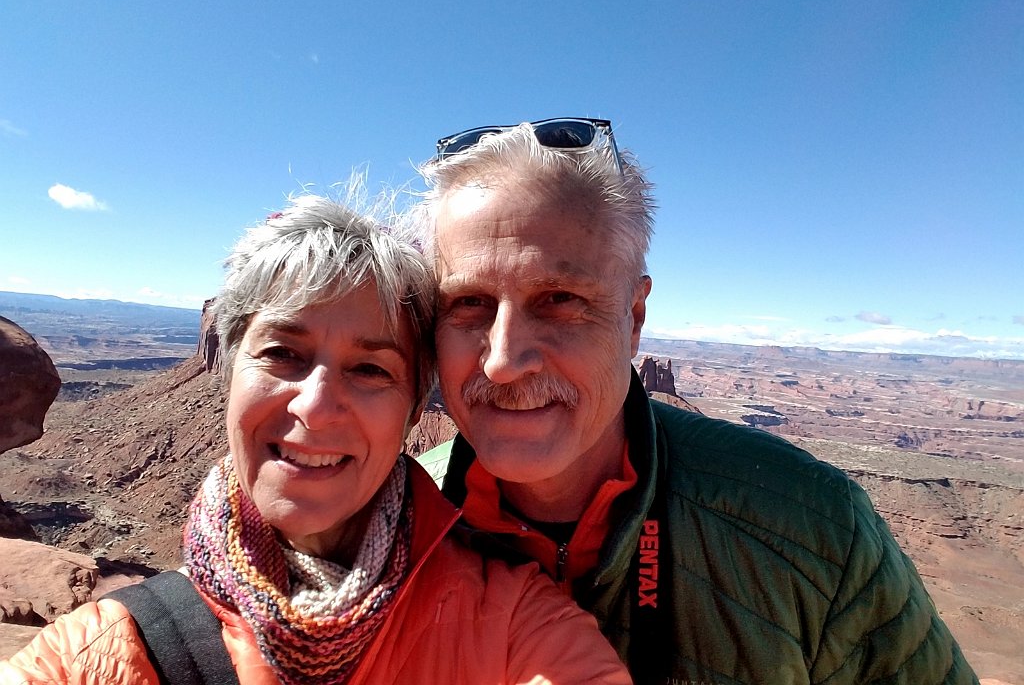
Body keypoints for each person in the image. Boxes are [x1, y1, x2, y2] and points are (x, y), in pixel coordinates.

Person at [417, 118, 979, 685]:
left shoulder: (813, 531)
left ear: (633, 319)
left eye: (560, 299)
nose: (503, 360)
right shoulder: (386, 527)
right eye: (468, 301)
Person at [0, 188, 631, 685]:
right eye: (282, 352)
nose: (318, 405)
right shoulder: (109, 650)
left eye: (369, 368)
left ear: (415, 409)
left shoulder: (514, 623)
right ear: (226, 369)